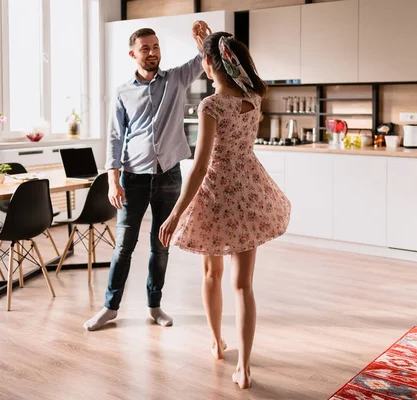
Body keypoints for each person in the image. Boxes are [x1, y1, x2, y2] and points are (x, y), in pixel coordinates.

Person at [158, 32, 291, 389]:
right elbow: (223, 59)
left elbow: (200, 166)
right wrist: (208, 43)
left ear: (207, 65)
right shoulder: (253, 97)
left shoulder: (211, 106)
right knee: (243, 285)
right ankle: (244, 369)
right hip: (250, 193)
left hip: (217, 197)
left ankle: (217, 343)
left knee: (211, 275)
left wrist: (175, 213)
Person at [83, 21, 212, 331]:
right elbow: (115, 138)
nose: (153, 53)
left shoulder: (177, 79)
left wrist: (203, 41)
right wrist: (113, 179)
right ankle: (109, 307)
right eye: (146, 49)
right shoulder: (123, 92)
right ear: (133, 54)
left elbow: (203, 62)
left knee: (161, 245)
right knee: (124, 246)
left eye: (156, 47)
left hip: (169, 176)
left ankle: (155, 306)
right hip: (133, 178)